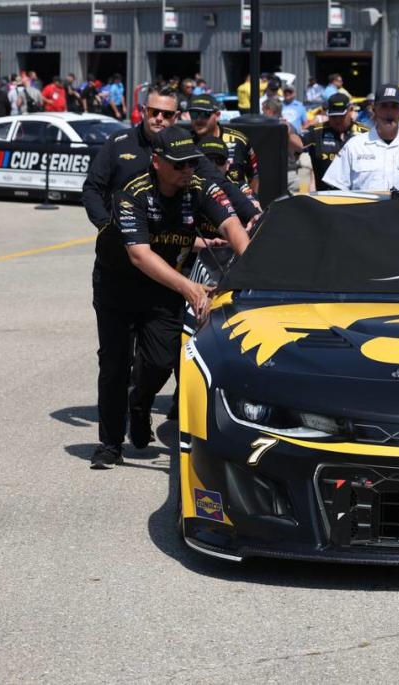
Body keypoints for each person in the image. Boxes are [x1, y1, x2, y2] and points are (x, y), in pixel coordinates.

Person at [90, 126, 249, 469]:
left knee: (162, 361)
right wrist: (190, 288)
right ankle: (110, 443)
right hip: (118, 283)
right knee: (115, 363)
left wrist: (251, 274)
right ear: (157, 161)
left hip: (164, 284)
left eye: (192, 163)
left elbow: (232, 226)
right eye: (179, 165)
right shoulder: (131, 193)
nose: (187, 171)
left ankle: (140, 403)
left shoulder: (199, 185)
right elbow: (140, 255)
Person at [83, 87, 258, 234]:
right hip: (122, 238)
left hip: (166, 241)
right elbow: (92, 188)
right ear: (144, 111)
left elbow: (219, 182)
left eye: (167, 114)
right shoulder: (118, 142)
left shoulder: (184, 147)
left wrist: (252, 212)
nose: (159, 118)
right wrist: (106, 225)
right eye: (154, 112)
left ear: (176, 117)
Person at [322, 83, 399, 192]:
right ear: (374, 109)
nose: (389, 112)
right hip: (363, 212)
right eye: (384, 106)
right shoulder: (354, 146)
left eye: (394, 106)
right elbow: (337, 189)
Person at [187, 94, 260, 196]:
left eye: (204, 114)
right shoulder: (186, 142)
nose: (198, 120)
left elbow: (254, 175)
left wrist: (252, 202)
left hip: (237, 204)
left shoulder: (239, 141)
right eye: (194, 114)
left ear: (217, 115)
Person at [302, 93, 369, 191]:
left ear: (350, 111)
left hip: (356, 197)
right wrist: (288, 130)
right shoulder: (317, 131)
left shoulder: (365, 133)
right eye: (333, 116)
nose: (337, 120)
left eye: (341, 116)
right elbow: (297, 143)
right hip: (325, 197)